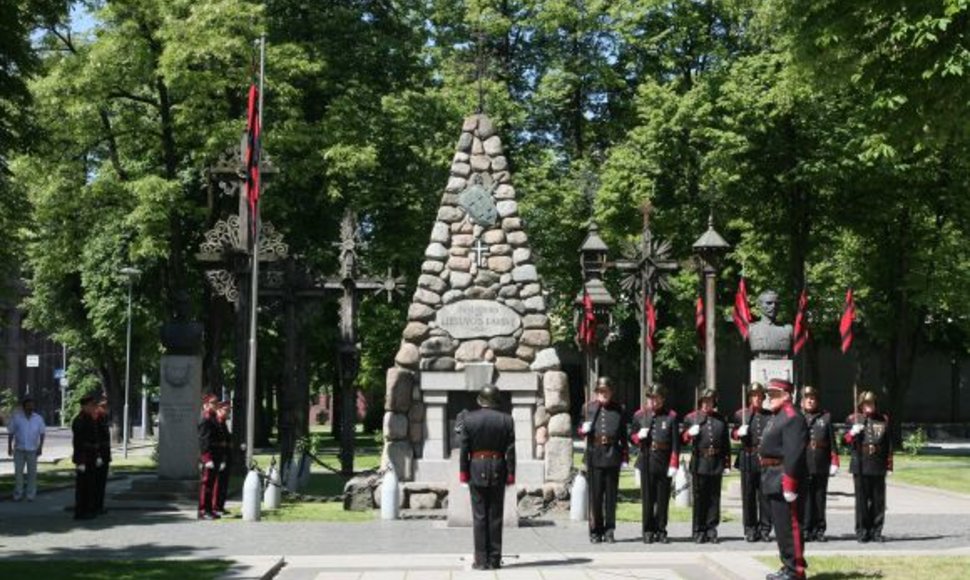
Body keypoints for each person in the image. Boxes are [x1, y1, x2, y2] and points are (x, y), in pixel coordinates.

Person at [458, 385, 516, 570]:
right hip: (498, 468)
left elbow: (464, 450)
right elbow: (510, 450)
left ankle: (481, 560)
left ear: (480, 400)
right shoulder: (507, 420)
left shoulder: (469, 419)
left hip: (476, 468)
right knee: (495, 516)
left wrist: (463, 472)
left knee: (480, 516)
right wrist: (511, 473)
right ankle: (494, 560)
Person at [759, 378, 808, 580]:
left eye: (774, 394)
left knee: (790, 527)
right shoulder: (777, 416)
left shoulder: (792, 417)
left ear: (786, 395)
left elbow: (794, 453)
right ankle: (787, 566)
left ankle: (796, 570)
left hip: (783, 478)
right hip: (772, 476)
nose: (770, 397)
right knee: (781, 527)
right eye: (769, 394)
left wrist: (790, 483)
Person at [579, 376, 628, 544]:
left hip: (613, 454)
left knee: (611, 497)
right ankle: (595, 530)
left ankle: (609, 530)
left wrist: (625, 455)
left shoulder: (619, 409)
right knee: (596, 496)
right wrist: (583, 429)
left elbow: (623, 434)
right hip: (595, 455)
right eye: (600, 391)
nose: (603, 394)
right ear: (596, 392)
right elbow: (581, 429)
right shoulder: (588, 408)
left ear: (611, 392)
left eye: (605, 391)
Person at [630, 384, 680, 544]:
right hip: (647, 460)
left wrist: (674, 464)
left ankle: (661, 530)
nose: (653, 401)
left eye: (656, 398)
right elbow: (631, 438)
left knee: (663, 499)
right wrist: (639, 436)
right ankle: (648, 530)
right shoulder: (639, 415)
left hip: (664, 461)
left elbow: (675, 444)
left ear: (662, 399)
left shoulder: (671, 416)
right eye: (651, 398)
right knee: (648, 499)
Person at [682, 388, 730, 544]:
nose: (706, 404)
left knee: (714, 498)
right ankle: (698, 529)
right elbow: (682, 439)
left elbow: (726, 443)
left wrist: (727, 463)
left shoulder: (720, 419)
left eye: (709, 401)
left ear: (714, 402)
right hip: (700, 462)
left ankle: (711, 528)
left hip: (716, 461)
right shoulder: (691, 418)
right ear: (700, 402)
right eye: (704, 401)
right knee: (700, 498)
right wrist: (690, 433)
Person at [844, 390, 892, 543]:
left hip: (877, 463)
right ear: (861, 405)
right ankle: (862, 531)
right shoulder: (853, 419)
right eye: (865, 404)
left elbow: (888, 444)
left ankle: (876, 531)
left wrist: (889, 465)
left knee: (878, 501)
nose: (868, 406)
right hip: (861, 463)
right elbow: (843, 441)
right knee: (862, 501)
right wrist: (852, 432)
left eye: (871, 403)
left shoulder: (882, 419)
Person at [732, 382, 773, 542]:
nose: (756, 398)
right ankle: (750, 528)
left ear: (763, 397)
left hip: (763, 459)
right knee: (748, 496)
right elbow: (732, 434)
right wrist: (738, 432)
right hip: (747, 457)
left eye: (759, 395)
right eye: (753, 395)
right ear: (749, 397)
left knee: (765, 496)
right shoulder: (741, 415)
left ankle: (764, 529)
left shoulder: (769, 416)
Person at [800, 386, 839, 542]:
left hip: (821, 462)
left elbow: (832, 441)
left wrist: (834, 461)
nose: (810, 401)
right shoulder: (798, 417)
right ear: (802, 401)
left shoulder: (825, 417)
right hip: (804, 463)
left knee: (820, 497)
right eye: (807, 398)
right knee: (806, 499)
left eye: (813, 398)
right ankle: (806, 529)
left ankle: (819, 529)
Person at [7, 395, 46, 502]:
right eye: (28, 405)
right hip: (19, 449)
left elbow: (42, 433)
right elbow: (11, 432)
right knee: (18, 473)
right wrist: (9, 447)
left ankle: (30, 495)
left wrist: (40, 447)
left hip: (33, 450)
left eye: (32, 405)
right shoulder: (17, 417)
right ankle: (18, 494)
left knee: (32, 473)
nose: (30, 407)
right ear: (24, 406)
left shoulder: (38, 418)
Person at [72, 394, 101, 520]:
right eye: (90, 405)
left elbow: (95, 439)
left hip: (92, 456)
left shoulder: (90, 419)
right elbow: (78, 443)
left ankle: (89, 509)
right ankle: (80, 510)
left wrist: (98, 455)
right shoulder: (79, 420)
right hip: (83, 457)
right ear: (84, 406)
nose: (93, 408)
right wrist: (81, 461)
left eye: (93, 405)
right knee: (82, 486)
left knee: (91, 485)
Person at [198, 395, 221, 519]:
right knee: (206, 484)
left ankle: (209, 509)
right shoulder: (205, 418)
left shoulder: (213, 417)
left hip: (215, 454)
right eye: (213, 402)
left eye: (217, 402)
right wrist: (206, 458)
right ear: (206, 404)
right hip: (210, 455)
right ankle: (203, 510)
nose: (216, 404)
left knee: (211, 484)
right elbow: (203, 440)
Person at [213, 401, 232, 515]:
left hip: (225, 456)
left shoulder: (223, 422)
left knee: (223, 484)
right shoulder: (217, 423)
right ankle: (215, 507)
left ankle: (220, 506)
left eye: (229, 410)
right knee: (218, 484)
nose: (228, 412)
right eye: (226, 410)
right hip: (219, 457)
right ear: (219, 410)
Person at [94, 397, 112, 515]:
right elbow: (97, 438)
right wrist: (99, 455)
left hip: (103, 454)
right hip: (98, 455)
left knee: (101, 482)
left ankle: (99, 505)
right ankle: (96, 506)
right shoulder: (97, 418)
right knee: (98, 482)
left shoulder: (103, 417)